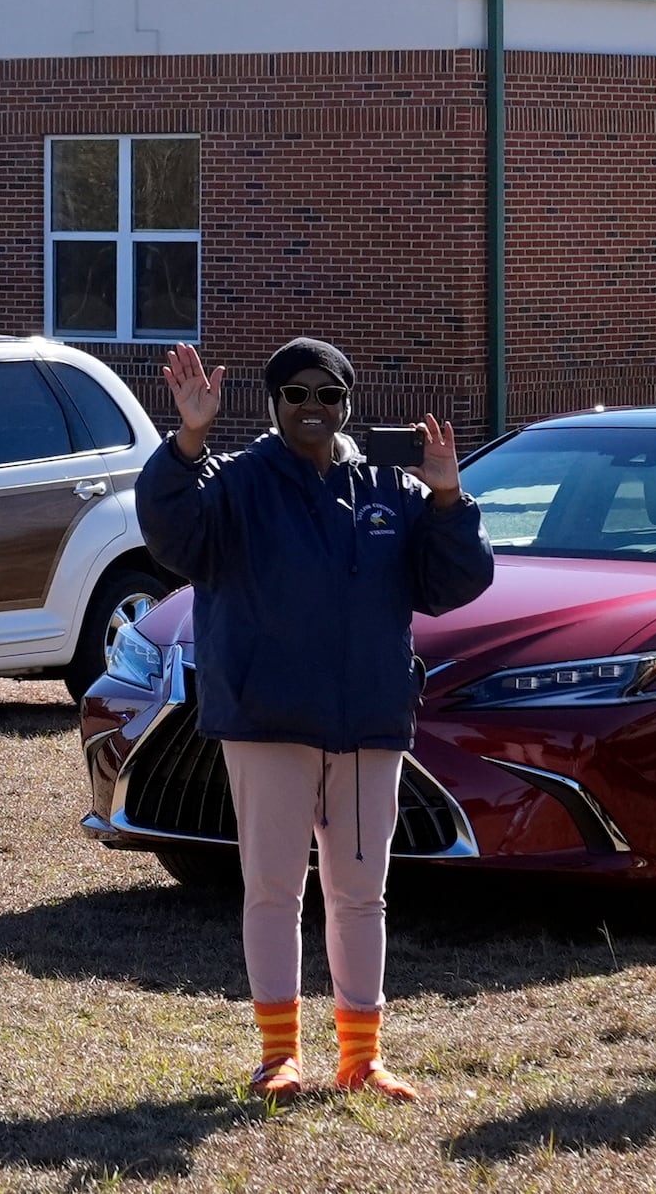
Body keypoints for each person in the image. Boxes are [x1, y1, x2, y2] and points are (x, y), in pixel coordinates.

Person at [138, 337, 494, 1102]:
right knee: (273, 887)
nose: (311, 408)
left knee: (362, 892)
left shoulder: (390, 491)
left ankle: (361, 1058)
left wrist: (446, 501)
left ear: (347, 404)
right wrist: (189, 440)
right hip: (268, 718)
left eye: (327, 395)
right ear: (272, 403)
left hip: (369, 720)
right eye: (296, 394)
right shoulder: (234, 485)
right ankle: (279, 1056)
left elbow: (452, 582)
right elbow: (172, 534)